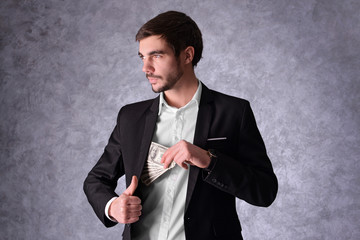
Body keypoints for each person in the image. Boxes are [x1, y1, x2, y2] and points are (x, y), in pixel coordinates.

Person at [84, 11, 278, 240]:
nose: (146, 68)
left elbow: (264, 191)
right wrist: (113, 207)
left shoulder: (234, 112)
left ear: (187, 55)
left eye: (156, 56)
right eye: (142, 57)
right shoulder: (130, 117)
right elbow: (96, 179)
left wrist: (208, 160)